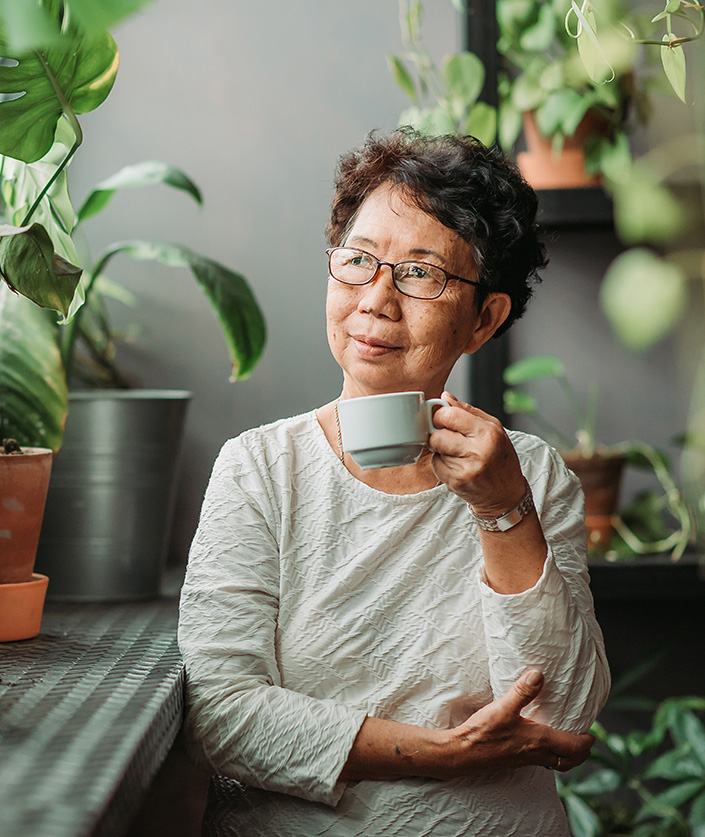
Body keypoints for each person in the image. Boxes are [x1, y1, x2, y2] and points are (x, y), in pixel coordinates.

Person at [178, 129, 610, 836]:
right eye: (358, 261)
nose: (376, 298)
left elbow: (559, 715)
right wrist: (441, 755)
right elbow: (219, 714)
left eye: (420, 274)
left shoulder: (531, 476)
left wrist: (504, 509)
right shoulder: (259, 469)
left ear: (484, 318)